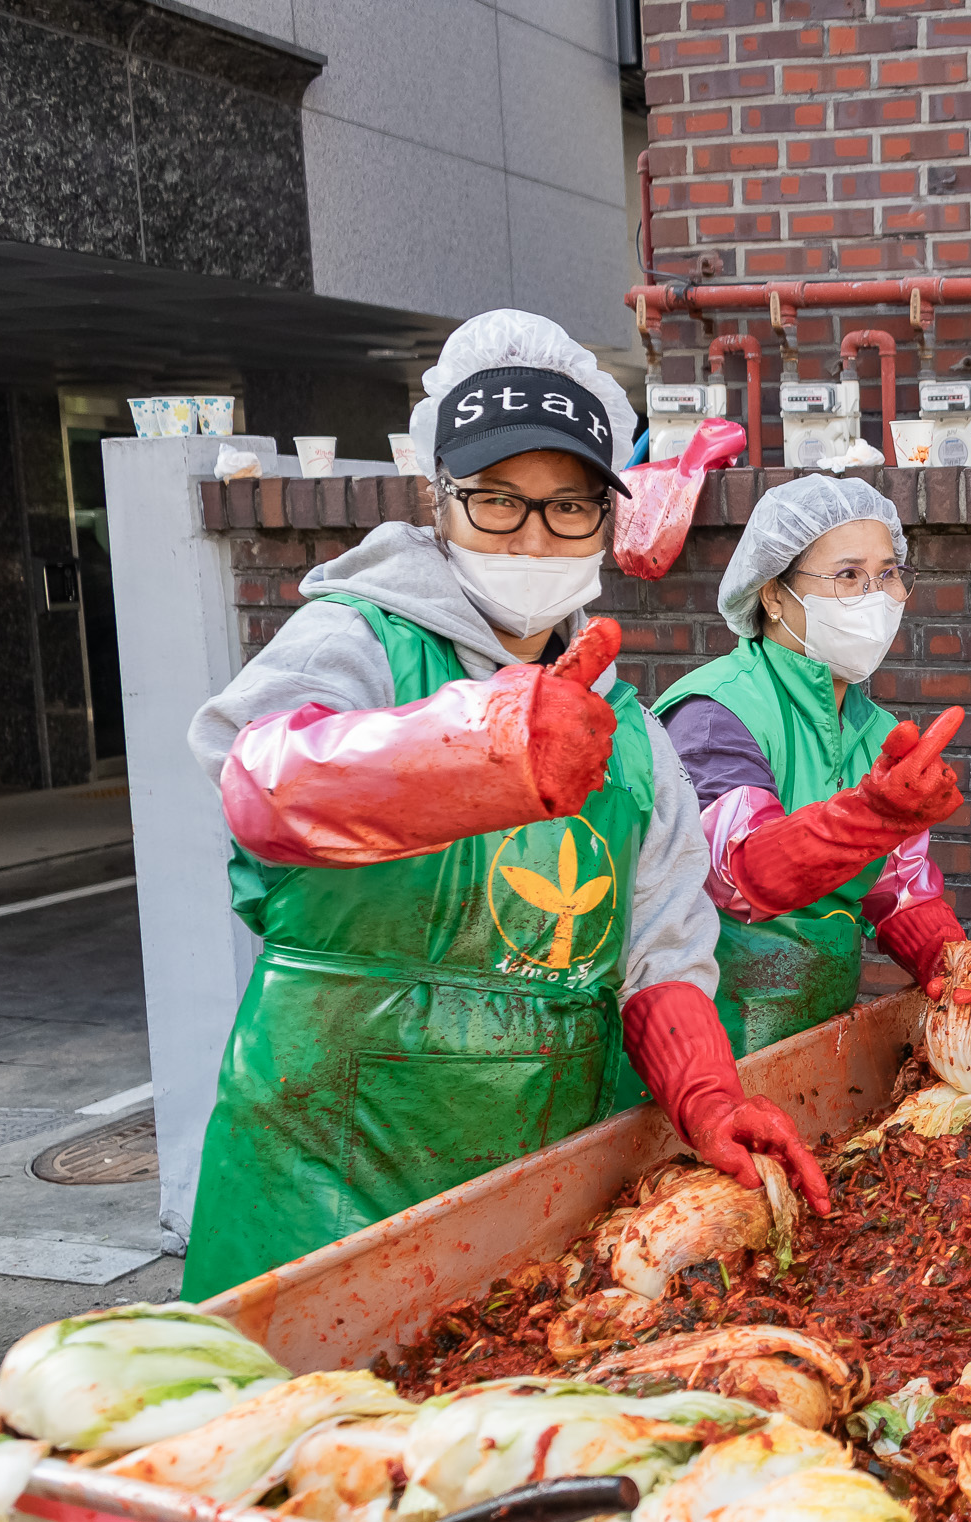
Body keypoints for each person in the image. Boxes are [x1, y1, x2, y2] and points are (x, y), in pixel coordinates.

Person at [181, 310, 827, 1301]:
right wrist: (485, 746)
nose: (533, 535)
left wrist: (708, 1097)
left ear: (607, 516)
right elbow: (258, 781)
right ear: (437, 501)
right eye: (496, 501)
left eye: (568, 506)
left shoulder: (631, 737)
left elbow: (661, 950)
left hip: (539, 1184)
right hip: (321, 1175)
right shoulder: (355, 641)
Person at [652, 475, 971, 1057]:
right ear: (771, 594)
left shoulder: (874, 729)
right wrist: (871, 817)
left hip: (817, 1035)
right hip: (705, 1044)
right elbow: (738, 873)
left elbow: (896, 888)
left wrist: (953, 963)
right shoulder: (715, 711)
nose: (875, 594)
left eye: (889, 573)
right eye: (847, 576)